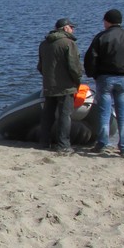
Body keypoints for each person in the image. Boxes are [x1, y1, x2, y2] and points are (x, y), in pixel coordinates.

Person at [82, 8, 124, 156]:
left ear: (107, 21)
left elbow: (90, 58)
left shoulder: (101, 37)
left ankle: (103, 143)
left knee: (104, 113)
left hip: (105, 78)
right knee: (123, 114)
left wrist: (93, 74)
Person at [37, 18, 82, 153]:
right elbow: (74, 67)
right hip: (66, 86)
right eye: (71, 27)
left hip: (49, 84)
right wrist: (77, 81)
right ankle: (63, 144)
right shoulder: (68, 43)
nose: (73, 30)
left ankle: (44, 142)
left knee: (48, 114)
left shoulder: (44, 44)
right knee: (64, 115)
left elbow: (40, 66)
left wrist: (48, 78)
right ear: (65, 28)